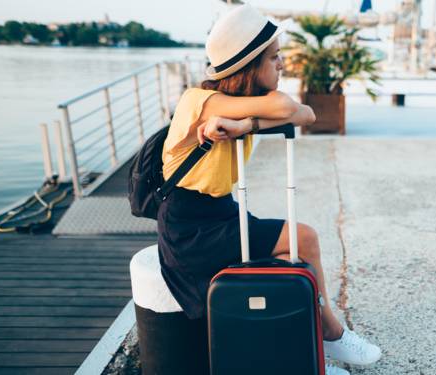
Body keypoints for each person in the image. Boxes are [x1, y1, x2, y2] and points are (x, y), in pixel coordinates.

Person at [157, 4, 381, 374]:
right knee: (303, 239)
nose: (282, 65)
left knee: (294, 252)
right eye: (274, 58)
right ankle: (329, 332)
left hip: (219, 213)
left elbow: (306, 114)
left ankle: (309, 347)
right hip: (190, 227)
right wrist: (252, 121)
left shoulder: (237, 109)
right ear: (248, 65)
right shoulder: (199, 102)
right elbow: (285, 105)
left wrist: (245, 126)